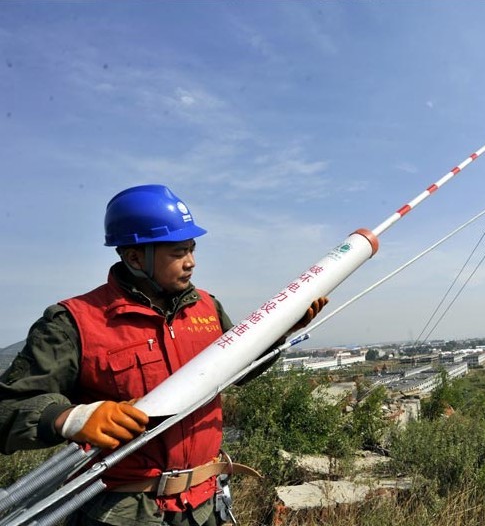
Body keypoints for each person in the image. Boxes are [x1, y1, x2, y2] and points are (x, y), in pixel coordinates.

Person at [0, 184, 327, 525]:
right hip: (121, 512)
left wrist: (279, 331)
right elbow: (7, 408)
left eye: (192, 249)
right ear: (134, 258)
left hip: (203, 506)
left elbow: (239, 369)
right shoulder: (75, 322)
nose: (191, 262)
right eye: (178, 252)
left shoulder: (207, 308)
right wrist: (72, 418)